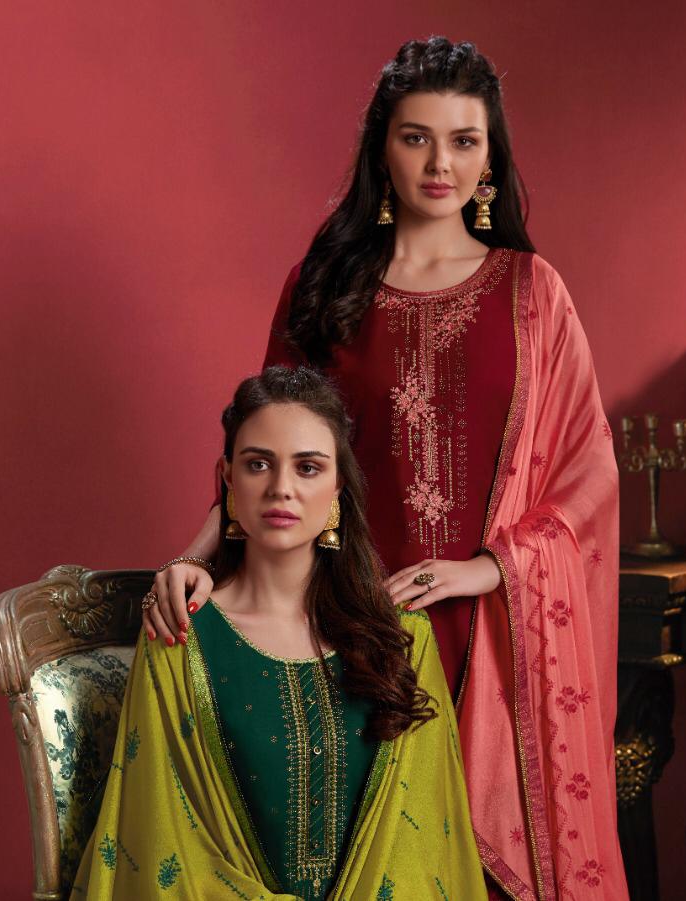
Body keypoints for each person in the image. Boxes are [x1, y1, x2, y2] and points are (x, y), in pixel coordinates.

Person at [145, 37, 623, 899]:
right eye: (416, 138)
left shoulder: (533, 294)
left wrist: (491, 568)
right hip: (351, 627)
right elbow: (265, 458)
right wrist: (192, 558)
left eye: (464, 141)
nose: (440, 164)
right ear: (382, 149)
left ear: (490, 159)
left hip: (494, 635)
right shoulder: (322, 286)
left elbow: (588, 474)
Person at [70, 366, 485, 900]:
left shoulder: (401, 639)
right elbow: (163, 847)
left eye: (308, 468)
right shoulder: (179, 636)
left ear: (338, 487)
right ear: (227, 478)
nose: (281, 488)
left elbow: (426, 849)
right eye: (258, 464)